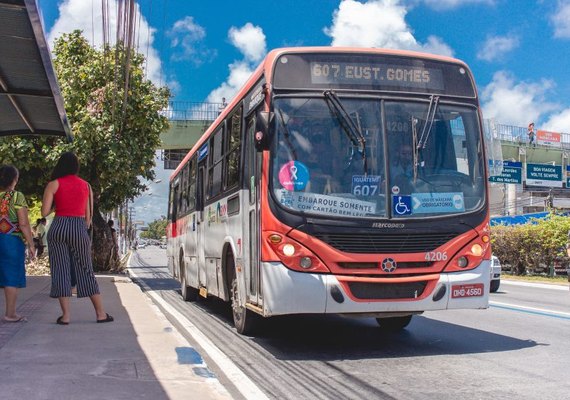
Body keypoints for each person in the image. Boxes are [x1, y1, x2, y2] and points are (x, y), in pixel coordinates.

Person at [41, 152, 113, 325]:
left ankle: (65, 316)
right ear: (76, 167)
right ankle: (100, 314)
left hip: (58, 227)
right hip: (78, 227)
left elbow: (44, 212)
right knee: (86, 269)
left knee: (60, 270)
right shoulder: (86, 186)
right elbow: (88, 217)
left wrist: (58, 206)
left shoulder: (53, 184)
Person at [0, 165, 35, 322]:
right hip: (11, 241)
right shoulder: (16, 196)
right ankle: (10, 314)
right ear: (15, 179)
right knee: (11, 277)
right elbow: (23, 223)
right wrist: (31, 244)